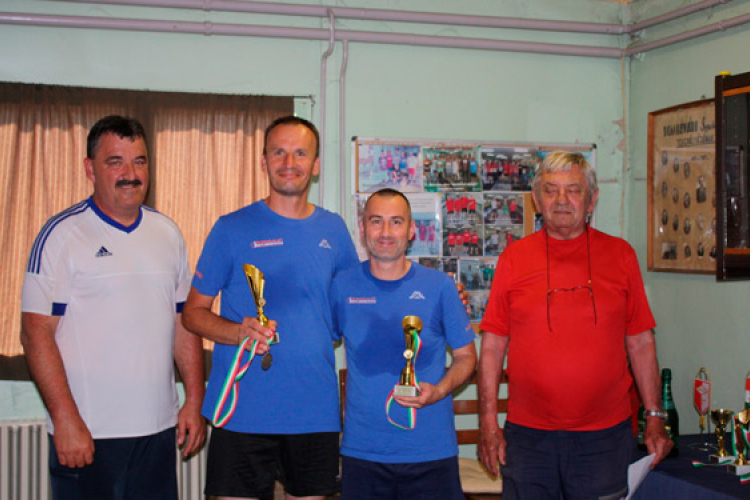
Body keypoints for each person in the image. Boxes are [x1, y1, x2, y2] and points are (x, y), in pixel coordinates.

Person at [20, 115, 206, 500]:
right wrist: (65, 418)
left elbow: (183, 323)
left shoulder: (167, 233)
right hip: (89, 433)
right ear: (90, 169)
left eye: (139, 161)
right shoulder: (61, 236)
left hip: (157, 432)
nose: (130, 174)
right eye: (115, 162)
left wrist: (193, 399)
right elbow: (35, 334)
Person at [182, 116, 360, 500]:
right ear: (263, 161)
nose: (289, 162)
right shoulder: (231, 228)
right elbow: (192, 313)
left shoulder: (334, 230)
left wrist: (437, 297)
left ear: (315, 164)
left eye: (300, 153)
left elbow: (360, 304)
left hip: (314, 410)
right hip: (242, 410)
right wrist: (237, 332)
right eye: (278, 152)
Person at [477, 151, 672, 500]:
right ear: (537, 199)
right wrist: (488, 423)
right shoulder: (513, 259)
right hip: (528, 438)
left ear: (592, 199)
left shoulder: (621, 255)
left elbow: (641, 342)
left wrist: (654, 415)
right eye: (551, 190)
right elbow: (492, 347)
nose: (562, 200)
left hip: (604, 439)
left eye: (573, 190)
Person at [330, 189, 477, 500]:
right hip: (363, 452)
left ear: (411, 231)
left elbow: (466, 357)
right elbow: (317, 341)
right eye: (376, 221)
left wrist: (439, 391)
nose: (385, 232)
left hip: (430, 451)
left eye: (396, 222)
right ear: (363, 228)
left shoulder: (440, 287)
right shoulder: (341, 286)